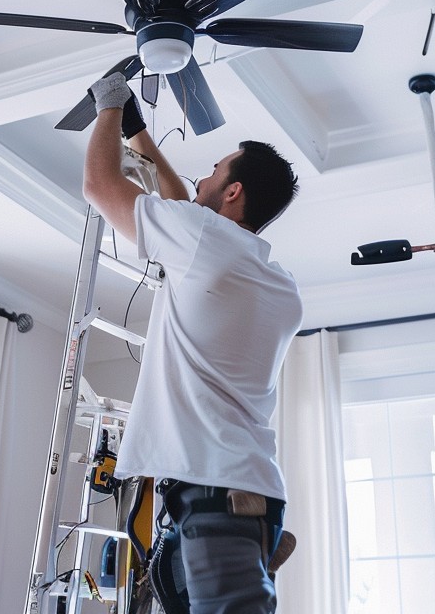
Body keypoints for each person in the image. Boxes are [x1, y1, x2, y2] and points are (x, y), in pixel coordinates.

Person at [81, 73, 303, 614]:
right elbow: (184, 208)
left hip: (216, 495)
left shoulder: (207, 246)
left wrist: (109, 102)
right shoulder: (271, 279)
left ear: (233, 191)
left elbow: (101, 186)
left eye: (214, 170)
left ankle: (257, 555)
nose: (200, 177)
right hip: (228, 491)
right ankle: (258, 553)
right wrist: (138, 133)